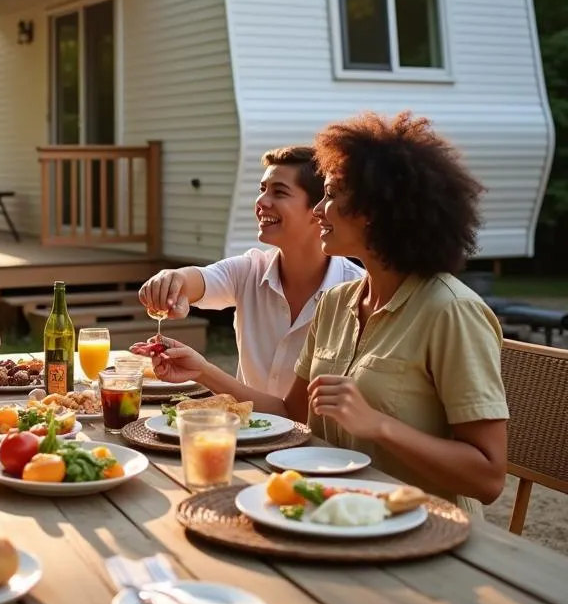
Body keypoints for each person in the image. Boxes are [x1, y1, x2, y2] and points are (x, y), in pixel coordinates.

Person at [153, 113, 509, 509]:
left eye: (332, 195)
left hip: (424, 527)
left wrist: (379, 425)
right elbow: (289, 413)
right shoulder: (337, 302)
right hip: (335, 510)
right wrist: (201, 369)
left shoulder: (451, 312)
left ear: (376, 209)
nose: (319, 210)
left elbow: (489, 477)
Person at [138, 146, 362, 397]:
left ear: (318, 209)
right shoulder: (250, 270)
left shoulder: (357, 290)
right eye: (262, 189)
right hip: (245, 432)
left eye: (279, 192)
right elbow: (198, 279)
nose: (261, 202)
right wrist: (172, 280)